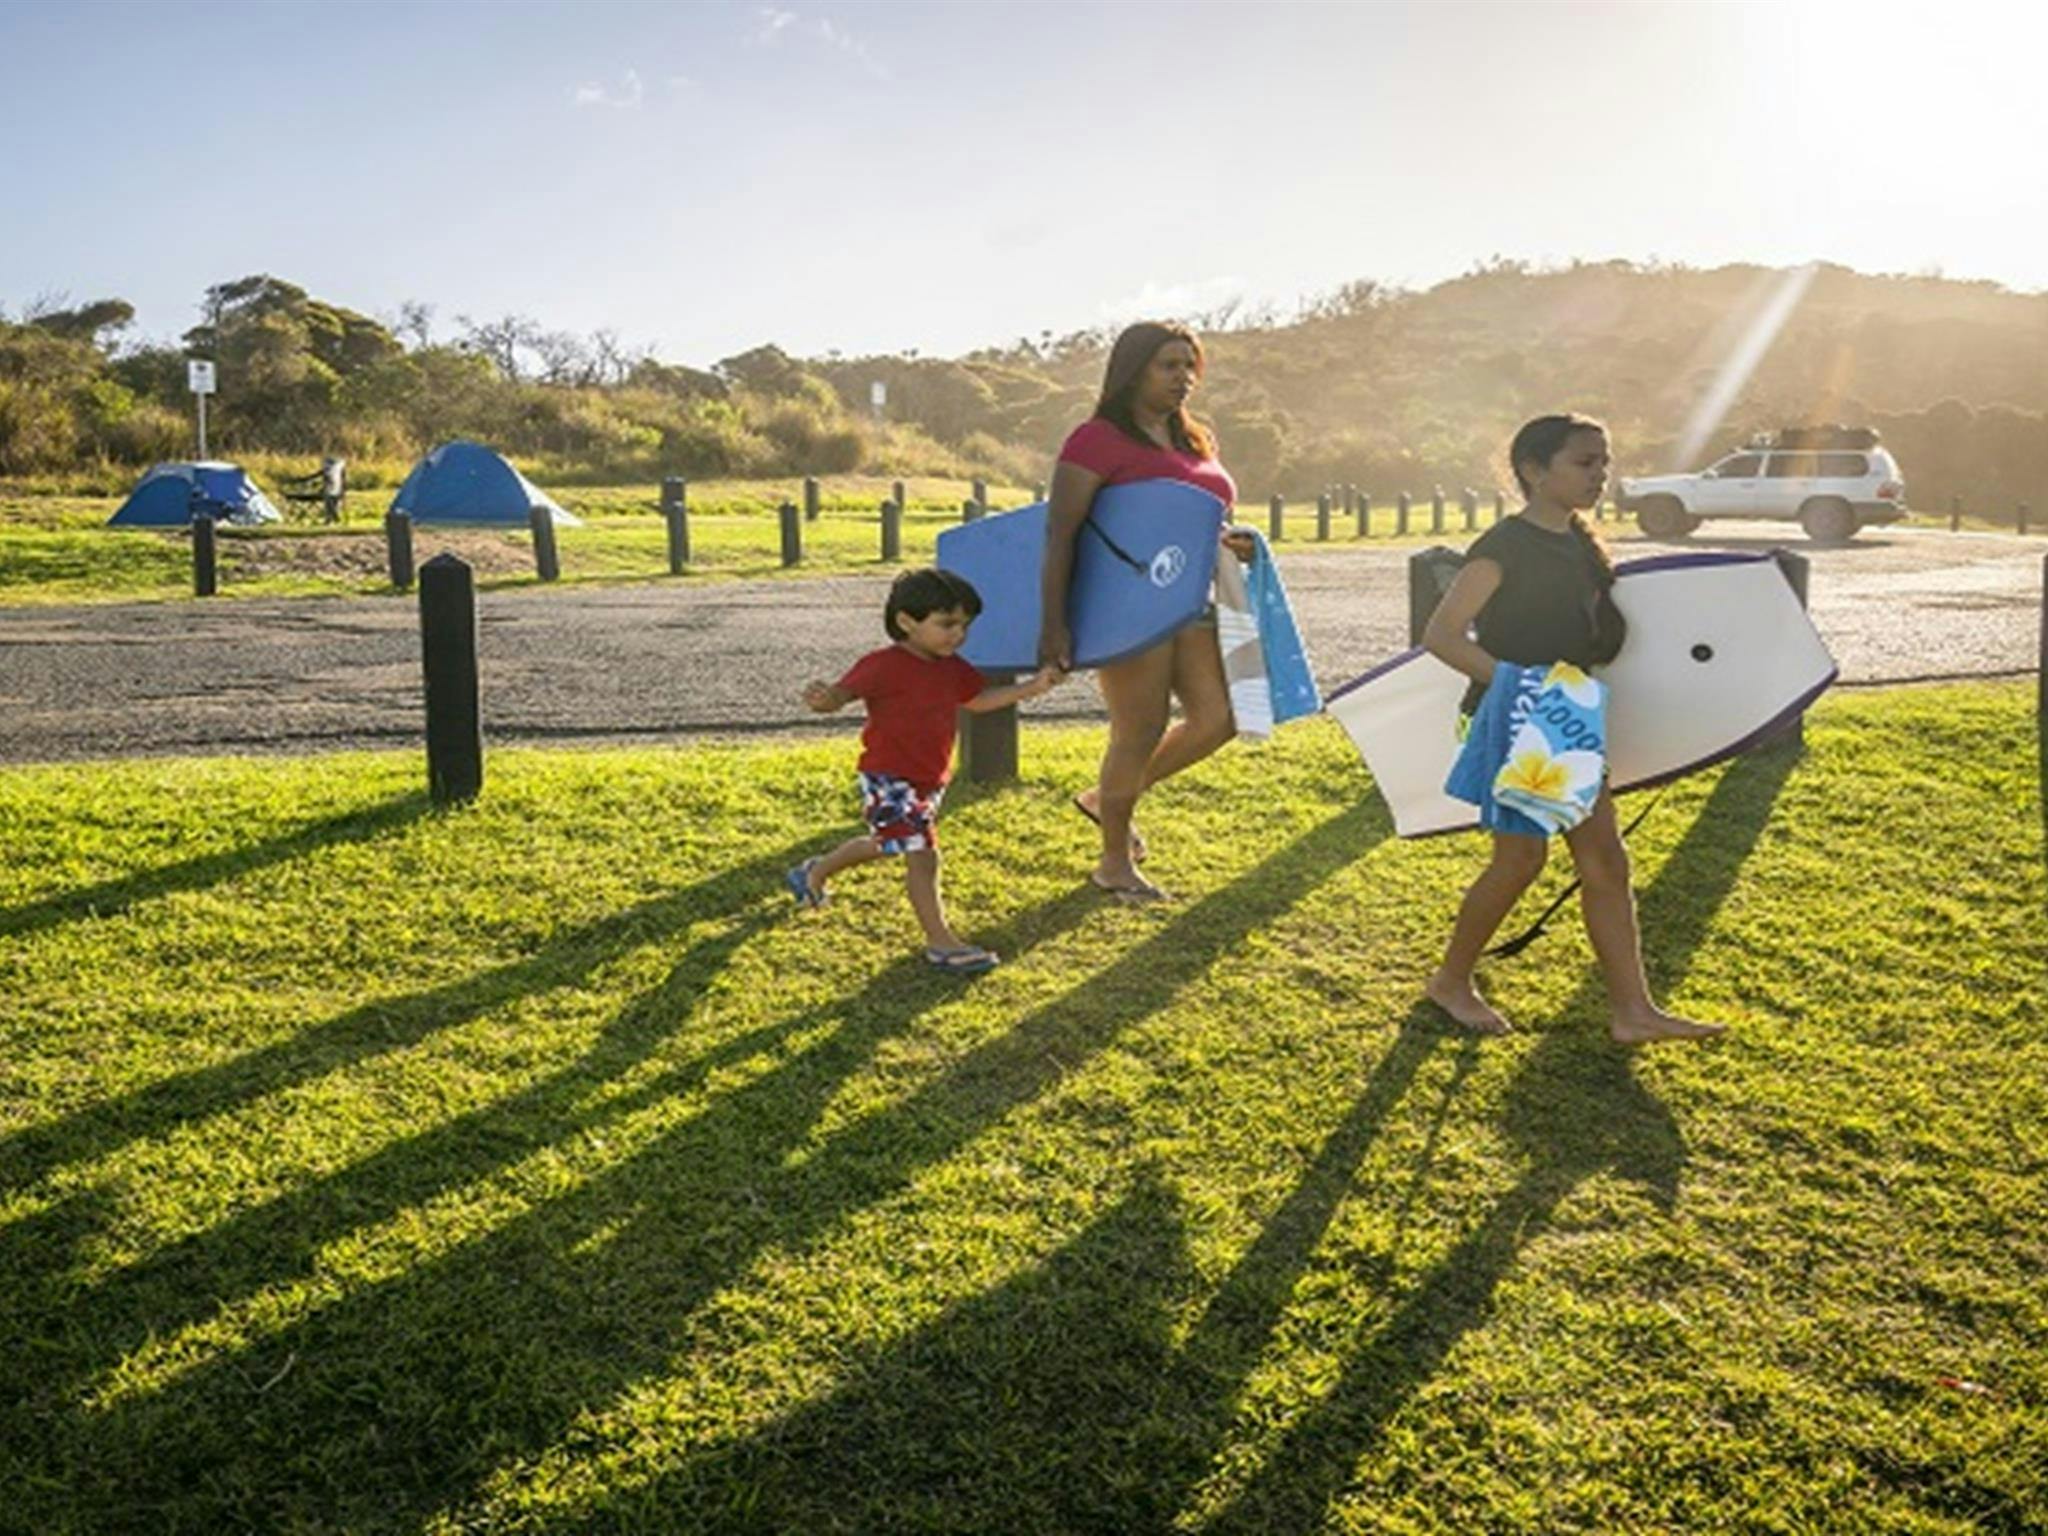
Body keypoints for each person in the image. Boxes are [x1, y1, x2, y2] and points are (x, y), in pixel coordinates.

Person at [1419, 413, 1726, 1045]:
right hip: (1521, 716)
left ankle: (1633, 1012)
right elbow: (1443, 636)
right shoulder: (1504, 546)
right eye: (1584, 463)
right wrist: (1521, 687)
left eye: (1604, 463)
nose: (1600, 475)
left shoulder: (1580, 544)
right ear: (1534, 470)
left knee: (1606, 861)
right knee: (1522, 859)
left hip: (1570, 716)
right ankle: (1450, 981)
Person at [1038, 320, 1254, 901]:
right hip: (1128, 606)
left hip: (1194, 602)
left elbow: (1203, 520)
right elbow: (1061, 533)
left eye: (1190, 365)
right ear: (1134, 370)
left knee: (1219, 719)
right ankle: (1113, 861)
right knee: (1139, 729)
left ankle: (1100, 801)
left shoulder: (1195, 440)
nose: (1183, 377)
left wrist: (1236, 543)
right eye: (1168, 365)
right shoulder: (1097, 440)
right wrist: (1053, 623)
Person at [792, 566, 1061, 974]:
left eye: (965, 626)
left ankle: (816, 870)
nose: (958, 635)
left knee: (889, 844)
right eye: (947, 624)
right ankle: (941, 943)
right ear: (906, 621)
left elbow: (978, 700)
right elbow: (842, 694)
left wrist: (1032, 688)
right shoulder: (882, 665)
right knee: (921, 853)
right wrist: (824, 698)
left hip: (929, 778)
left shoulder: (951, 667)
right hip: (889, 775)